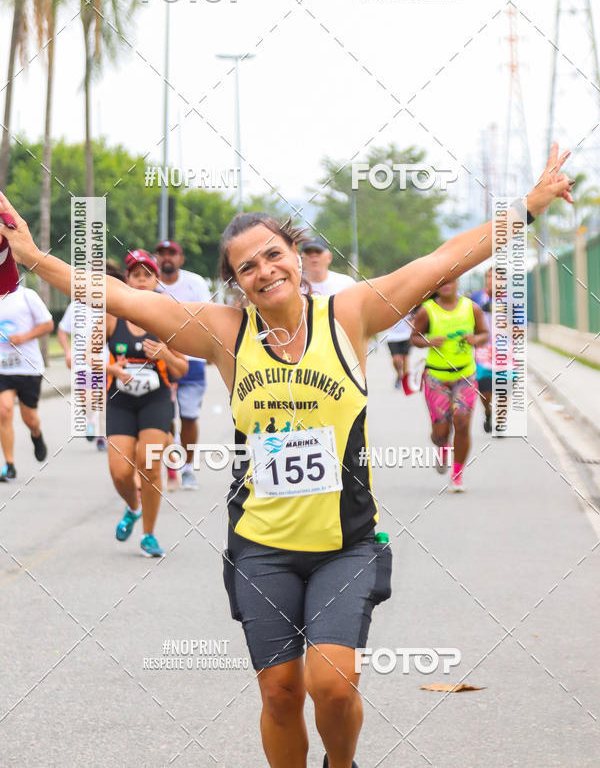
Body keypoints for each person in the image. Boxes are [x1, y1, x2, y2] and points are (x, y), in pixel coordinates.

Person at [0, 142, 572, 768]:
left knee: (332, 683)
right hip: (261, 544)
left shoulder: (350, 314)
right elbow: (119, 297)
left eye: (274, 254)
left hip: (344, 544)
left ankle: (342, 764)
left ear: (297, 258)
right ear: (237, 282)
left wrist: (532, 205)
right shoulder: (224, 333)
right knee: (279, 692)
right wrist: (32, 259)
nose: (264, 269)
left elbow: (442, 258)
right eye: (247, 266)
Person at [106, 250, 188, 557]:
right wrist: (112, 369)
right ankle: (133, 506)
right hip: (121, 401)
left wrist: (165, 355)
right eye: (135, 275)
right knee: (119, 473)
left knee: (149, 464)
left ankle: (149, 535)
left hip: (156, 399)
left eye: (147, 275)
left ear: (156, 281)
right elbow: (85, 357)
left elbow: (182, 369)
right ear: (127, 279)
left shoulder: (168, 320)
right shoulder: (112, 316)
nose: (141, 281)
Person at [410, 281, 489, 490]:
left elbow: (485, 334)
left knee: (462, 422)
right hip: (436, 378)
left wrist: (475, 339)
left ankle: (457, 474)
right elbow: (414, 338)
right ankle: (442, 446)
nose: (446, 286)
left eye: (451, 281)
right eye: (442, 283)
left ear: (458, 283)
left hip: (465, 375)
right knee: (440, 432)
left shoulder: (471, 308)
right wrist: (428, 342)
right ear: (436, 286)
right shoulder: (427, 311)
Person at [154, 240, 211, 491]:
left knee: (189, 417)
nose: (167, 258)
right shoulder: (149, 283)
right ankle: (171, 463)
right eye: (162, 254)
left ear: (181, 259)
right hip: (158, 360)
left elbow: (206, 316)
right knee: (165, 417)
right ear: (156, 258)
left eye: (172, 254)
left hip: (192, 359)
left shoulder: (195, 282)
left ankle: (187, 468)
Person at [57, 259, 125, 452]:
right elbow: (62, 331)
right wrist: (68, 352)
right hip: (83, 362)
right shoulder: (77, 305)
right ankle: (90, 420)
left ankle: (102, 435)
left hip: (107, 361)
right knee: (87, 401)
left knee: (103, 399)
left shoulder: (114, 305)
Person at [0, 283, 53, 481]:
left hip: (28, 367)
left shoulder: (26, 296)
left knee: (29, 418)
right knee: (4, 411)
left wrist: (24, 337)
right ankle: (9, 465)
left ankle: (36, 434)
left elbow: (48, 324)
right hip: (2, 369)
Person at [470, 267, 493, 432]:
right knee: (485, 391)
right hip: (483, 350)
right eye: (490, 277)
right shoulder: (477, 297)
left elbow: (522, 322)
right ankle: (488, 412)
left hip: (505, 352)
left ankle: (500, 418)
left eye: (497, 277)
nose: (493, 280)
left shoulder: (512, 299)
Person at [385, 313, 413, 389]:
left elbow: (414, 317)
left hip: (406, 335)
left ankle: (404, 378)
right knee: (396, 359)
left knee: (405, 358)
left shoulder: (408, 305)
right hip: (392, 337)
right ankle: (399, 374)